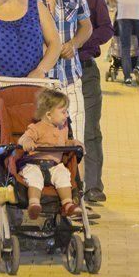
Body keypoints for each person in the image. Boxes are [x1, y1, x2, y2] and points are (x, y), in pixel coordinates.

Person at [18, 0, 92, 142]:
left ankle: (77, 176)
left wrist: (74, 44)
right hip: (38, 83)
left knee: (76, 143)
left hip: (70, 79)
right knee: (40, 141)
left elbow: (87, 27)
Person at [65, 0, 113, 205]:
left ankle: (93, 185)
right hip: (56, 70)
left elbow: (106, 29)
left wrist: (79, 43)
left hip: (85, 68)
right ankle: (64, 184)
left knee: (90, 128)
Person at [17, 89, 84, 219]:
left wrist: (74, 143)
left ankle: (67, 203)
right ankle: (34, 204)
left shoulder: (63, 129)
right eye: (63, 112)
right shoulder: (36, 128)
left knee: (64, 176)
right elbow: (23, 138)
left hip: (55, 165)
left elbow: (65, 143)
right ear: (49, 115)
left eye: (67, 112)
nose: (67, 115)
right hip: (34, 164)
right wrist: (27, 141)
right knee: (34, 179)